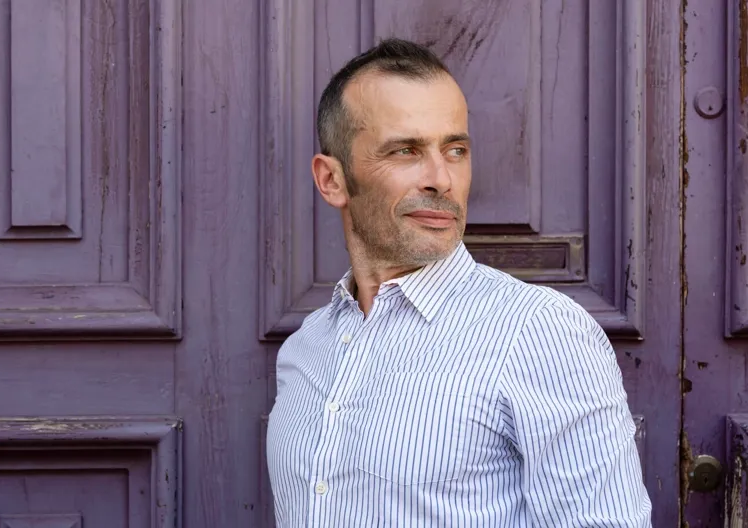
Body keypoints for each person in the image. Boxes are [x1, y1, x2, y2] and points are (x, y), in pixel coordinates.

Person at [265, 38, 652, 527]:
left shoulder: (540, 332)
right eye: (405, 150)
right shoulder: (306, 348)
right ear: (332, 180)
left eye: (455, 149)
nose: (441, 179)